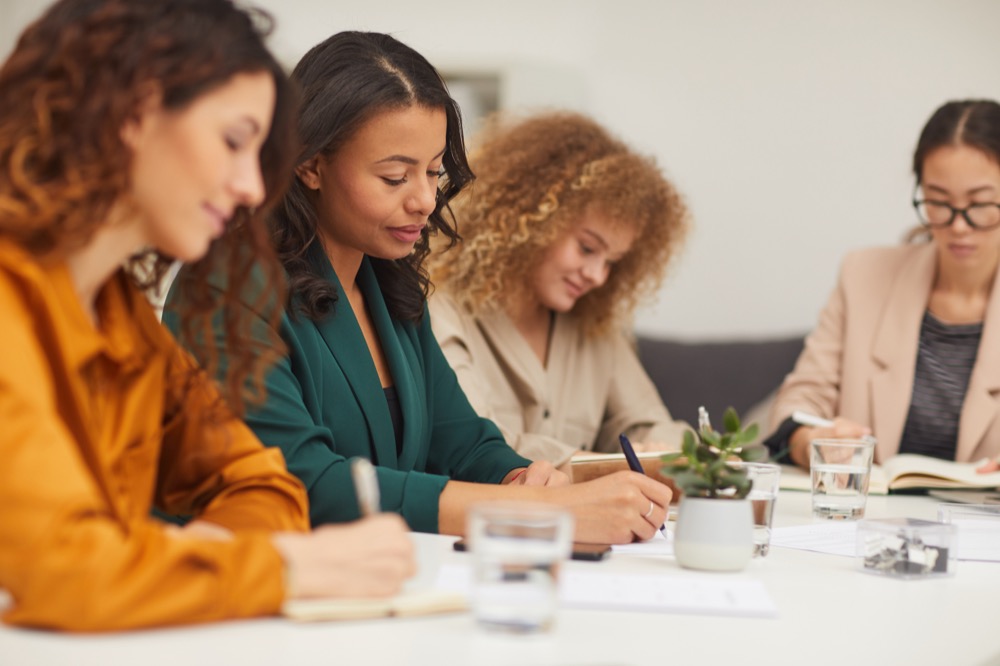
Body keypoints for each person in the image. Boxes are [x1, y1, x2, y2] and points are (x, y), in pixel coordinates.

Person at [0, 0, 414, 632]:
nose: (252, 187)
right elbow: (71, 572)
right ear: (131, 113)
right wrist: (283, 571)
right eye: (233, 141)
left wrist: (198, 570)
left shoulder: (116, 315)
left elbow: (264, 487)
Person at [166, 31, 672, 544]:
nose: (426, 201)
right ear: (310, 165)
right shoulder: (226, 285)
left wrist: (521, 477)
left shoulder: (388, 283)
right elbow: (303, 483)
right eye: (394, 178)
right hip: (245, 592)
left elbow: (464, 444)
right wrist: (536, 509)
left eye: (433, 173)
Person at [427, 111, 691, 472]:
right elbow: (479, 446)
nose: (598, 276)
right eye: (587, 248)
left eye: (612, 262)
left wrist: (677, 454)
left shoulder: (594, 325)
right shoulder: (441, 305)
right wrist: (619, 468)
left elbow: (648, 424)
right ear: (530, 219)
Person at [766, 99, 1000, 473]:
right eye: (939, 202)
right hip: (870, 519)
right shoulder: (863, 275)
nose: (958, 225)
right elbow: (802, 398)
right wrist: (807, 439)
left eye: (981, 204)